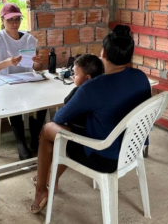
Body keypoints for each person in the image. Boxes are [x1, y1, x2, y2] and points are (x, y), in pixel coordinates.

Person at [29, 25, 152, 213]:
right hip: (132, 150)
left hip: (105, 157)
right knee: (69, 131)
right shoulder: (140, 77)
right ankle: (49, 180)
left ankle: (41, 190)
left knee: (48, 130)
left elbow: (61, 118)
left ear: (102, 53)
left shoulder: (93, 87)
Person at [30, 54, 104, 187]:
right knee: (61, 137)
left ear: (87, 78)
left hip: (87, 139)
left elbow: (62, 114)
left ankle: (49, 180)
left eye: (75, 74)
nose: (73, 77)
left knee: (53, 135)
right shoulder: (104, 87)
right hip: (101, 134)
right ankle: (51, 177)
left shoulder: (80, 92)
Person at [0, 3, 46, 160]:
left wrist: (38, 61)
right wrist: (7, 62)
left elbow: (37, 68)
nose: (14, 24)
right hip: (3, 82)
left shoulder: (29, 39)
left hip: (26, 80)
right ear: (2, 20)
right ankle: (20, 142)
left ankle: (34, 139)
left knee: (44, 101)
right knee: (12, 101)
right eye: (10, 20)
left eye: (18, 19)